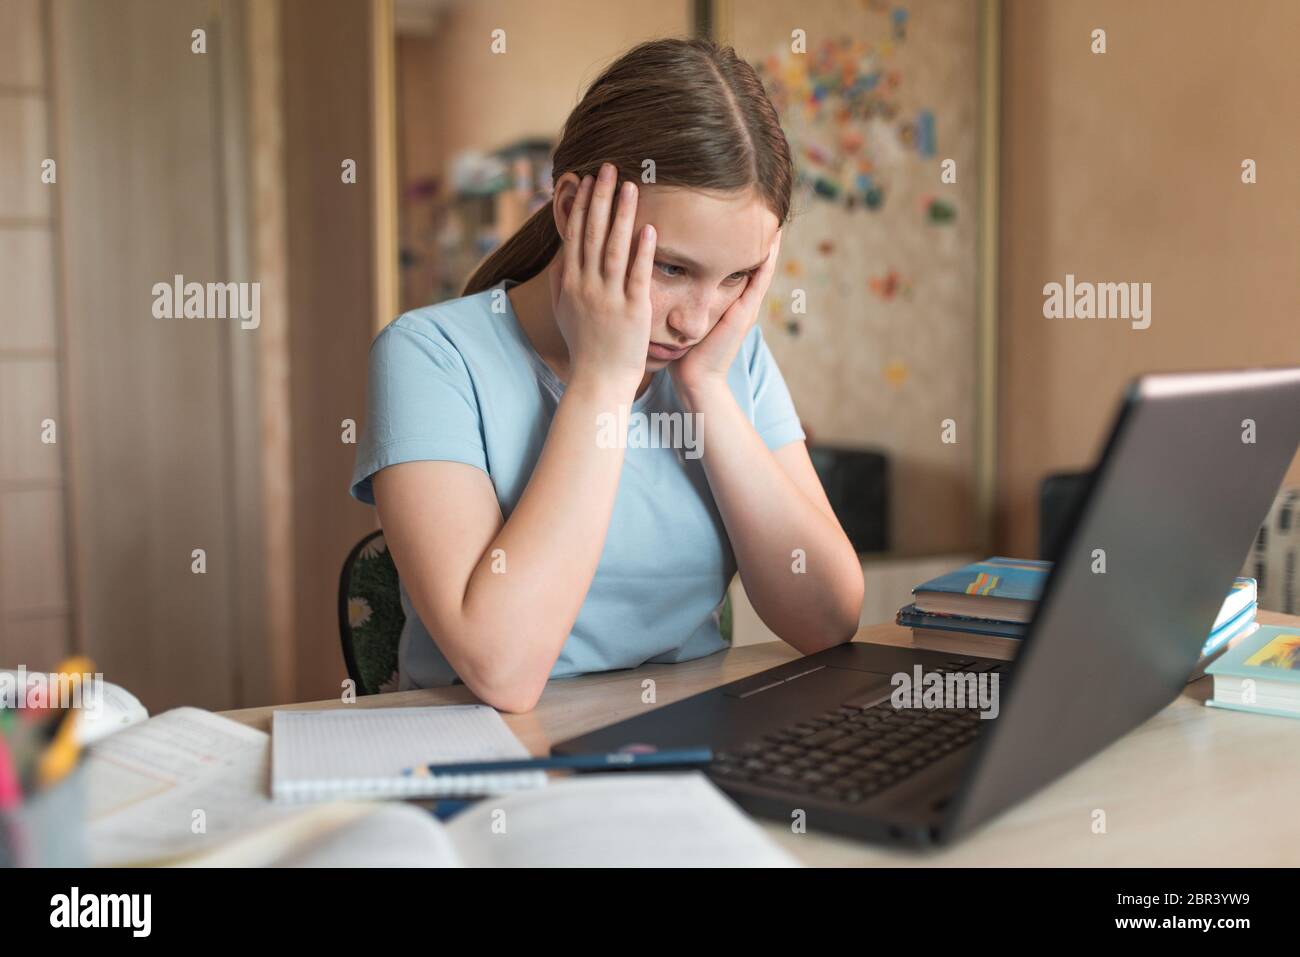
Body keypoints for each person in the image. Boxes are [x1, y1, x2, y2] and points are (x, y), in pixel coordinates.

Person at [349, 37, 863, 711]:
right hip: (496, 756)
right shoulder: (429, 356)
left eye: (735, 278)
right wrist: (600, 381)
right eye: (672, 269)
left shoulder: (728, 356)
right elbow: (502, 671)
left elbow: (827, 623)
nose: (696, 320)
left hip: (693, 745)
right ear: (570, 209)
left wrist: (706, 391)